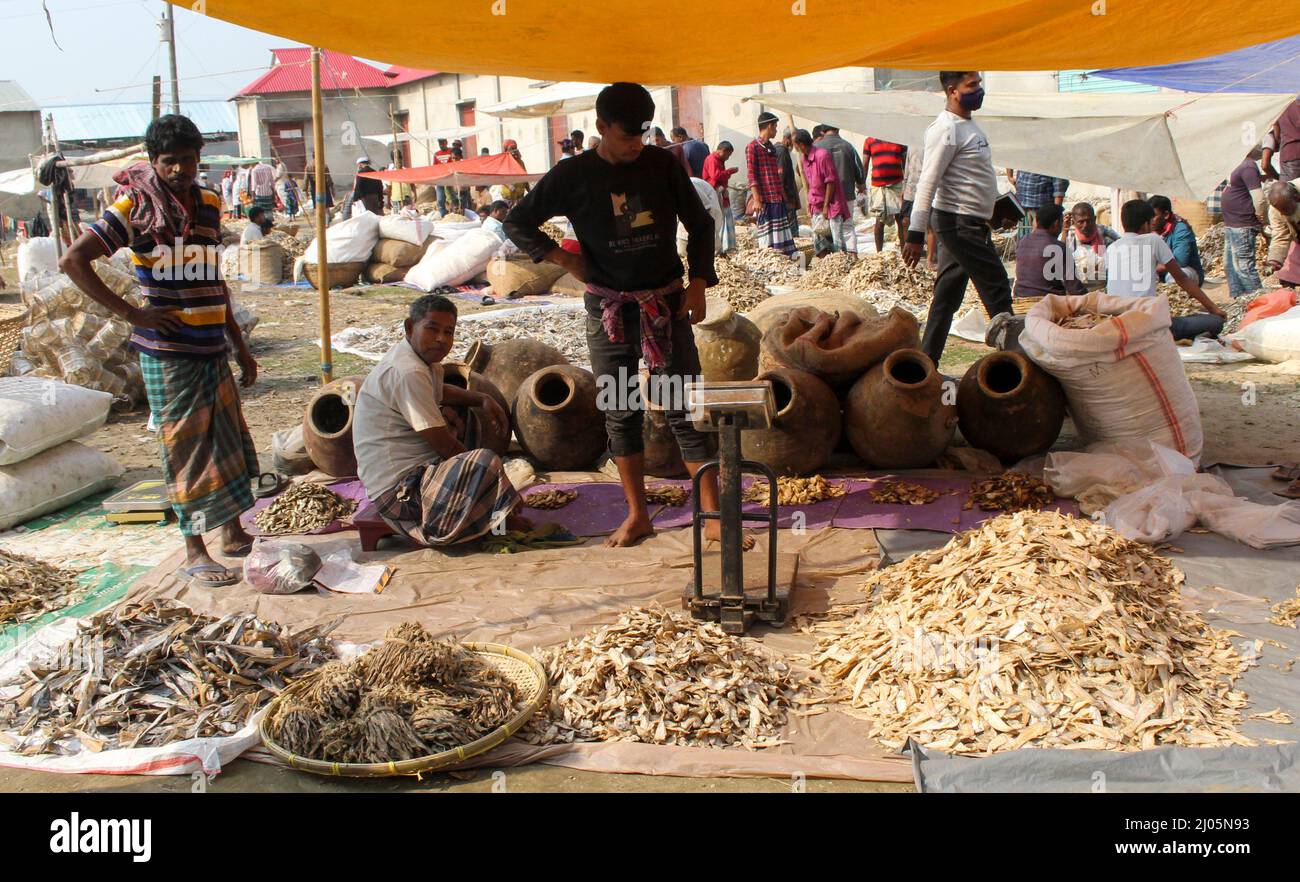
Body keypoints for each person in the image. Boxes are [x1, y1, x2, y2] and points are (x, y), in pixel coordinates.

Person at [505, 81, 750, 551]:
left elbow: (699, 224)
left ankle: (714, 516)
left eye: (641, 135)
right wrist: (564, 258)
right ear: (600, 128)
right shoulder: (572, 174)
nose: (637, 145)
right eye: (626, 137)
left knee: (682, 405)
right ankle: (638, 515)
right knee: (621, 409)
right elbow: (517, 222)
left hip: (666, 301)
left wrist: (698, 282)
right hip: (609, 306)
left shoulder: (661, 164)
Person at [57, 114, 258, 588]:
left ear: (198, 160)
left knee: (226, 439)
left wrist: (239, 344)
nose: (179, 170)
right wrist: (132, 313)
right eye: (170, 162)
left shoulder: (209, 203)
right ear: (154, 161)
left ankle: (232, 531)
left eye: (188, 160)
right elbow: (73, 260)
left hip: (211, 347)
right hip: (168, 351)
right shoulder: (135, 208)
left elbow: (214, 280)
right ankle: (194, 549)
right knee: (185, 449)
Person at [354, 295, 525, 547]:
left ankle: (484, 506)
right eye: (432, 329)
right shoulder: (407, 371)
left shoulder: (422, 362)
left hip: (413, 478)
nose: (441, 339)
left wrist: (480, 398)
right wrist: (501, 488)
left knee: (462, 421)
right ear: (410, 328)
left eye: (449, 332)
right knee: (485, 461)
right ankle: (492, 520)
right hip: (401, 495)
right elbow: (445, 446)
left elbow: (439, 390)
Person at [903, 71, 1013, 364]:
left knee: (947, 297)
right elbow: (928, 181)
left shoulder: (968, 126)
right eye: (972, 85)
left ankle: (926, 364)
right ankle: (1017, 359)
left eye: (979, 83)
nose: (979, 90)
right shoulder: (945, 129)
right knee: (997, 286)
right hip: (958, 223)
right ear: (952, 90)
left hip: (969, 221)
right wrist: (915, 233)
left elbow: (973, 178)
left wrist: (994, 211)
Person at [1106, 199, 1225, 339]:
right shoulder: (1153, 240)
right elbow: (1182, 279)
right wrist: (1213, 308)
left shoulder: (1111, 248)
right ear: (1146, 225)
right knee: (1216, 322)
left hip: (1117, 323)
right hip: (1145, 326)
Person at [1219, 146, 1271, 298]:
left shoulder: (1248, 166)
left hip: (1243, 224)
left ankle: (1260, 300)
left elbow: (1259, 198)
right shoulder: (1237, 164)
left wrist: (1261, 216)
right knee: (1229, 265)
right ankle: (1239, 297)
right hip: (1232, 223)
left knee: (1244, 267)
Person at [792, 129, 851, 256]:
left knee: (837, 241)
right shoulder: (804, 159)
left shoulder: (822, 155)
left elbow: (830, 181)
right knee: (818, 241)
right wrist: (809, 203)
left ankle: (841, 266)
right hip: (816, 204)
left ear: (801, 144)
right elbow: (810, 183)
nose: (794, 148)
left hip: (831, 204)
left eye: (795, 145)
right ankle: (826, 265)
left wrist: (825, 206)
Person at [746, 111, 797, 256]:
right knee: (768, 240)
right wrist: (756, 199)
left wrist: (783, 197)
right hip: (764, 201)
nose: (776, 130)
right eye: (775, 126)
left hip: (777, 199)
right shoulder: (753, 147)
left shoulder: (772, 148)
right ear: (769, 126)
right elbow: (752, 175)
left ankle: (785, 263)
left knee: (781, 237)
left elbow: (775, 175)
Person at [1013, 204, 1086, 299]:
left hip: (1020, 298)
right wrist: (1092, 299)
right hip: (1049, 303)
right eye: (1061, 222)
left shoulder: (1023, 241)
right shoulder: (1059, 247)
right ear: (1056, 224)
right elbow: (1074, 287)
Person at [815, 125, 866, 250]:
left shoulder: (816, 148)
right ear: (838, 128)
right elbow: (859, 171)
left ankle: (828, 261)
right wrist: (860, 185)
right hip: (846, 194)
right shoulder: (848, 146)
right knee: (847, 226)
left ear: (823, 131)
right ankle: (851, 256)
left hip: (823, 196)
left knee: (823, 228)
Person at [863, 136, 908, 252]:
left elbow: (906, 164)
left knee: (900, 218)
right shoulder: (870, 140)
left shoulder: (899, 139)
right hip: (878, 187)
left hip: (897, 185)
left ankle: (904, 253)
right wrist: (861, 184)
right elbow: (865, 164)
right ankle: (879, 253)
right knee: (879, 220)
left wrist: (907, 185)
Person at [1148, 195, 1204, 285]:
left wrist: (1151, 267)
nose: (1150, 220)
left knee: (1174, 277)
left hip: (1186, 271)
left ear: (1166, 215)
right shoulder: (1150, 230)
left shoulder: (1181, 229)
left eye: (1153, 216)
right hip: (1160, 271)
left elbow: (1180, 261)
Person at [1063, 201, 1119, 283]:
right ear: (1074, 222)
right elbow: (1060, 258)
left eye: (1088, 221)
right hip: (1078, 289)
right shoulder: (1068, 236)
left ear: (1095, 219)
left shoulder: (1105, 234)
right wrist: (1064, 232)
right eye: (1081, 222)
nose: (1085, 225)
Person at [1006, 169, 1069, 239]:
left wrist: (1055, 217)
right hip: (1022, 208)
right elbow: (1010, 159)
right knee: (1024, 242)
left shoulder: (1054, 162)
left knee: (1042, 242)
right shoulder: (1026, 159)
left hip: (1042, 212)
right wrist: (1010, 177)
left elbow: (1059, 191)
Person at [702, 141, 738, 252]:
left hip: (720, 191)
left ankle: (726, 244)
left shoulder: (719, 160)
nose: (728, 157)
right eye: (728, 154)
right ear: (723, 150)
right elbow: (715, 175)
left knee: (725, 215)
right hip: (713, 192)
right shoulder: (712, 159)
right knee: (719, 217)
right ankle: (720, 244)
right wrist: (730, 171)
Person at [1266, 179, 1300, 288]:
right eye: (1279, 210)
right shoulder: (1276, 209)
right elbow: (1280, 235)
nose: (1281, 213)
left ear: (1296, 197)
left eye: (1285, 209)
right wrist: (1274, 260)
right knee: (1288, 278)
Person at [1261, 96, 1300, 181]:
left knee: (1288, 191)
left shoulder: (1282, 107)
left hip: (1290, 153)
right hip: (1292, 154)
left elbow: (1277, 134)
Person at [434, 138, 453, 213]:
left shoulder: (451, 152)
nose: (441, 145)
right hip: (440, 179)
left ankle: (454, 212)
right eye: (440, 144)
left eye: (443, 143)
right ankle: (443, 214)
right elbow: (435, 167)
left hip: (450, 177)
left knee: (453, 196)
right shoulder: (437, 154)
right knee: (440, 198)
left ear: (446, 143)